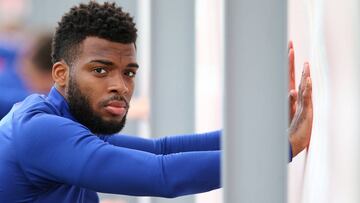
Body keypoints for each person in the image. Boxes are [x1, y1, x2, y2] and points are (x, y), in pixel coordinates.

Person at [0, 2, 313, 202]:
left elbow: (161, 150)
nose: (120, 86)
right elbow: (162, 175)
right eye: (100, 70)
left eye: (129, 72)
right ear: (60, 74)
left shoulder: (67, 120)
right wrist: (283, 149)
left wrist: (269, 135)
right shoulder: (39, 130)